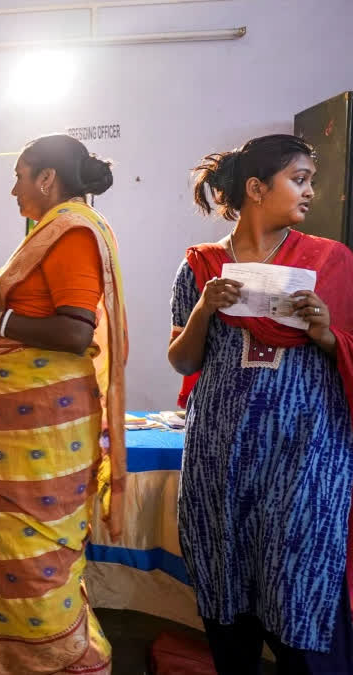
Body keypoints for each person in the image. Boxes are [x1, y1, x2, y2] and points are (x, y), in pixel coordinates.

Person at [168, 134, 353, 671]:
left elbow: (348, 342)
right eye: (299, 179)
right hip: (218, 459)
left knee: (298, 580)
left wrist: (325, 332)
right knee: (225, 582)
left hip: (303, 458)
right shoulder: (202, 267)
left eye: (310, 180)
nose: (310, 191)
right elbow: (182, 361)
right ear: (255, 188)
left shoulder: (330, 262)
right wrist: (205, 308)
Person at [0, 134, 127, 674]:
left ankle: (61, 661)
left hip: (43, 439)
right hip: (21, 438)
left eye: (20, 176)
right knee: (10, 557)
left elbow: (75, 331)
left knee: (34, 566)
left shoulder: (70, 233)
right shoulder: (52, 231)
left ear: (47, 178)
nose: (13, 188)